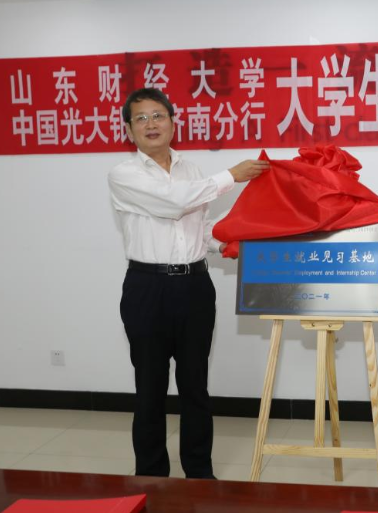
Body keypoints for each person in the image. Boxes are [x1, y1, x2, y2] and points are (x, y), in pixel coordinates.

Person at [108, 87, 268, 478]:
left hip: (195, 287)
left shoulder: (191, 170)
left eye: (158, 115)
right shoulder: (124, 174)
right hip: (148, 288)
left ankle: (199, 474)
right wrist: (232, 175)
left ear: (172, 122)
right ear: (129, 129)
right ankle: (151, 476)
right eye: (141, 118)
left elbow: (197, 226)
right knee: (150, 387)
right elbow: (173, 202)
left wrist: (228, 244)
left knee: (195, 385)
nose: (151, 124)